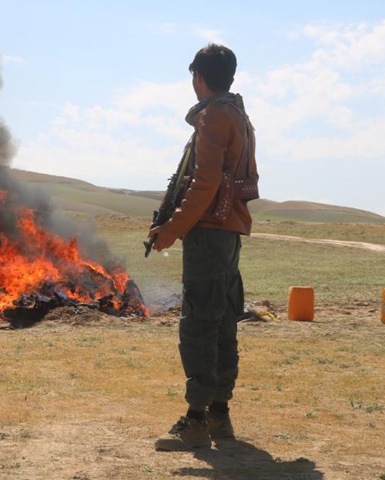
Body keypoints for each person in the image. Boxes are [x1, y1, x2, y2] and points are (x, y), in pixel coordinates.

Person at [149, 43, 258, 451]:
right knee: (222, 321)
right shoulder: (240, 116)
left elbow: (204, 182)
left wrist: (172, 229)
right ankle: (219, 415)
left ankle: (196, 421)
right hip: (227, 234)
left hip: (209, 234)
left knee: (198, 323)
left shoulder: (214, 115)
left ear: (198, 77)